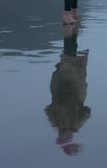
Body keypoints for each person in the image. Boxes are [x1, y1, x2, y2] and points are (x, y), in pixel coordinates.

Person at [44, 26, 91, 156]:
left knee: (73, 61)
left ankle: (71, 31)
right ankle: (71, 32)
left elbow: (87, 112)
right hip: (60, 88)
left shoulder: (75, 125)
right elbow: (46, 109)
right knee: (67, 59)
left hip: (74, 90)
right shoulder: (55, 122)